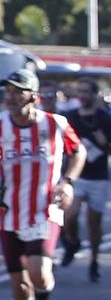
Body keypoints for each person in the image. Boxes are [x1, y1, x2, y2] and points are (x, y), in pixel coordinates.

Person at [0, 69, 84, 300]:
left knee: (38, 272)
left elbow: (79, 152)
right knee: (18, 286)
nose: (9, 96)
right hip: (8, 211)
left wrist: (68, 182)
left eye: (17, 91)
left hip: (43, 209)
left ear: (33, 96)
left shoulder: (55, 124)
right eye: (6, 91)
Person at [60, 78, 111, 281]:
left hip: (98, 177)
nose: (83, 95)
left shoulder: (105, 118)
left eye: (86, 92)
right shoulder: (69, 117)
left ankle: (94, 261)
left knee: (94, 222)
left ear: (95, 94)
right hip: (76, 175)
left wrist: (103, 143)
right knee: (69, 215)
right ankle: (72, 243)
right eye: (80, 91)